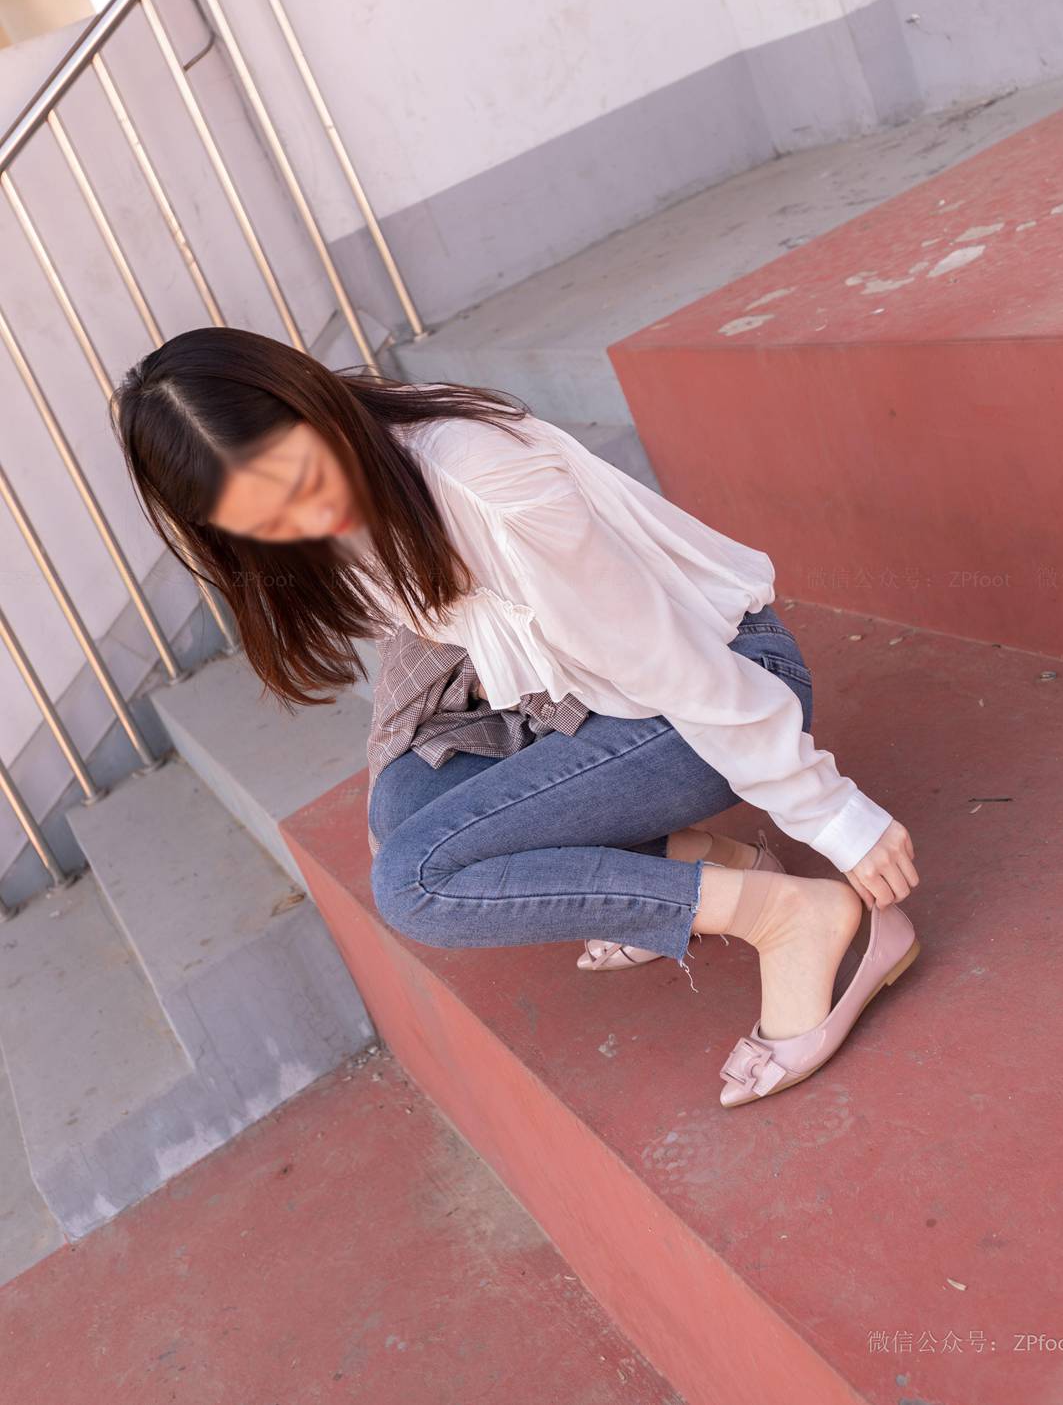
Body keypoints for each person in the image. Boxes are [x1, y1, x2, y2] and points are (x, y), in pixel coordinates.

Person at [110, 325, 920, 1108]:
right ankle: (718, 867)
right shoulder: (346, 495)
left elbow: (665, 659)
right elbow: (425, 649)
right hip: (594, 708)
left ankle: (788, 916)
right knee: (404, 810)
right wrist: (395, 787)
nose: (304, 516)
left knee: (418, 883)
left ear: (311, 408)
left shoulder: (479, 481)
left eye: (296, 474)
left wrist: (827, 810)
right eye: (262, 517)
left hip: (719, 682)